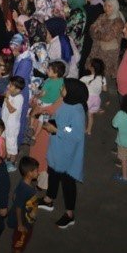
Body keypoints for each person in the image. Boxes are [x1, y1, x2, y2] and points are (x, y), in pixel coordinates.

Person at [38, 78, 87, 229]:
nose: (61, 90)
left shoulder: (77, 112)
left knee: (67, 182)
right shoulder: (67, 103)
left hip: (66, 152)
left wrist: (57, 130)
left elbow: (75, 132)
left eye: (64, 88)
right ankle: (48, 199)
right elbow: (66, 124)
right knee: (52, 171)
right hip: (57, 148)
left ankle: (70, 214)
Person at [7, 157, 41, 253]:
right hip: (24, 225)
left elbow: (14, 197)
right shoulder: (25, 189)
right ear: (29, 173)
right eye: (36, 170)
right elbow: (18, 207)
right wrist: (20, 225)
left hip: (27, 223)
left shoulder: (24, 184)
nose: (38, 172)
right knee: (18, 246)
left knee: (20, 245)